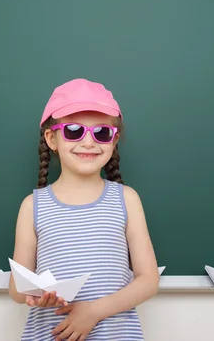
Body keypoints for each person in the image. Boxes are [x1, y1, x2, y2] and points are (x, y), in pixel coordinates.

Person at [9, 78, 160, 340]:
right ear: (51, 138)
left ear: (114, 141)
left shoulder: (127, 200)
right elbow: (16, 288)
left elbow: (148, 280)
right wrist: (34, 295)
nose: (89, 142)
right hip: (51, 333)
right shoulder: (33, 206)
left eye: (101, 133)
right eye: (74, 131)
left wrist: (93, 312)